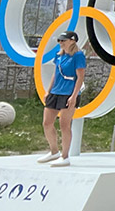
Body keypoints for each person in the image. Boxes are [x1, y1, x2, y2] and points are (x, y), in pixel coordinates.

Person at [37, 30, 86, 168]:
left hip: (68, 93)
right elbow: (56, 74)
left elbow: (80, 77)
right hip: (55, 92)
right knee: (47, 122)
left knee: (64, 125)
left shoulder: (78, 56)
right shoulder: (59, 56)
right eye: (59, 40)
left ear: (72, 41)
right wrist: (48, 91)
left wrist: (74, 96)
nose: (60, 43)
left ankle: (65, 156)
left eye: (63, 40)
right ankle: (54, 151)